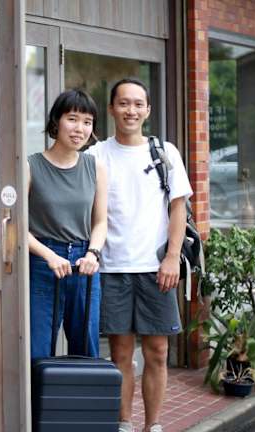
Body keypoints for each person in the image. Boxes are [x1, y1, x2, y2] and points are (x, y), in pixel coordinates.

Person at [86, 78, 192, 432]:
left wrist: (172, 257)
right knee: (120, 353)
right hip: (112, 267)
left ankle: (154, 425)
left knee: (158, 352)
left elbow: (178, 207)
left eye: (137, 104)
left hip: (156, 267)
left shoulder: (165, 152)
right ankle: (125, 424)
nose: (130, 110)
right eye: (123, 103)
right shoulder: (96, 155)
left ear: (147, 110)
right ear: (112, 108)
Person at [27, 89, 108, 360]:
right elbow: (14, 226)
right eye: (72, 119)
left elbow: (100, 221)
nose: (79, 128)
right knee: (38, 350)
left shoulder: (95, 167)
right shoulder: (30, 166)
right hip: (42, 263)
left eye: (87, 122)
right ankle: (39, 392)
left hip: (85, 263)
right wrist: (49, 255)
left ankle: (81, 393)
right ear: (56, 121)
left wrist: (93, 253)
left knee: (86, 350)